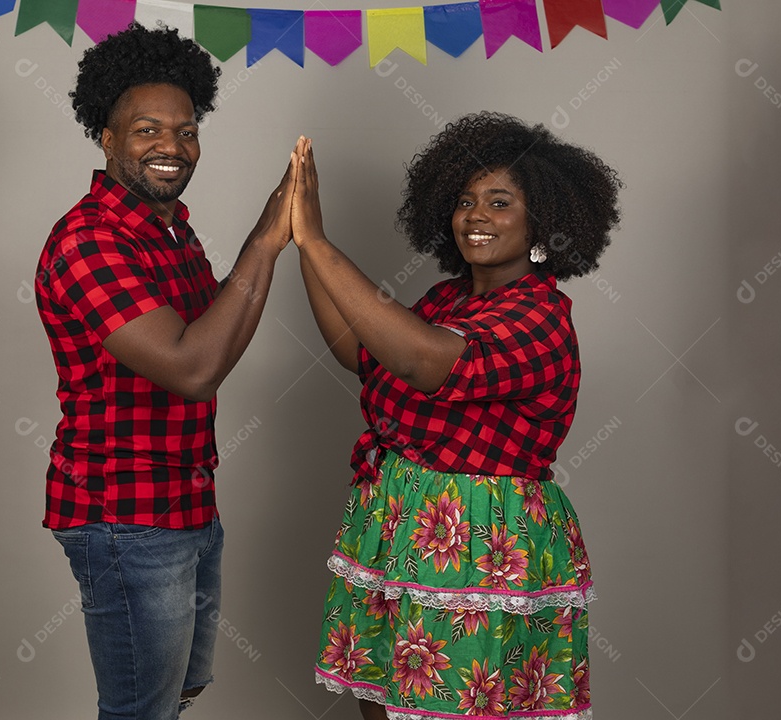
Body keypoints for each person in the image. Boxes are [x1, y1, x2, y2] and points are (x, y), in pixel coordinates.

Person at [291, 114, 621, 719]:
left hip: (479, 538)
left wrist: (318, 243)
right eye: (465, 201)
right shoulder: (448, 299)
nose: (476, 215)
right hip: (398, 515)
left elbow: (422, 361)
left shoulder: (540, 318)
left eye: (500, 202)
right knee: (384, 697)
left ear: (542, 219)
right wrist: (302, 243)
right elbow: (360, 351)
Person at [33, 23, 294, 720]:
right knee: (141, 710)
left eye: (186, 131)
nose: (171, 147)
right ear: (107, 138)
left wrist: (278, 239)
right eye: (147, 129)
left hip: (185, 500)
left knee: (176, 694)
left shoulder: (170, 230)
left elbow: (218, 330)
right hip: (124, 515)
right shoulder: (89, 240)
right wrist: (267, 243)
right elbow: (193, 367)